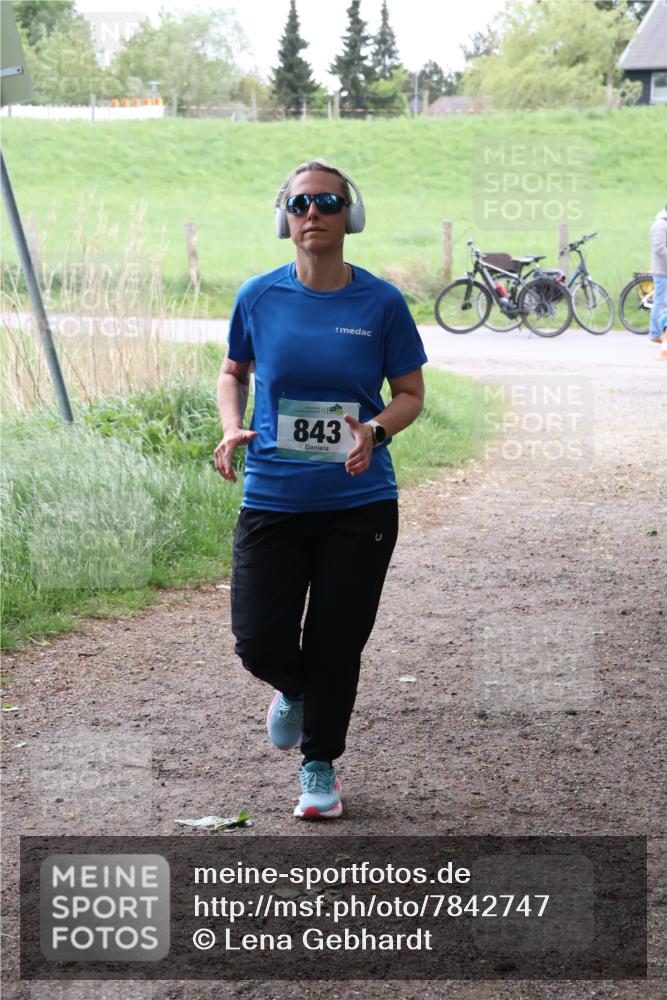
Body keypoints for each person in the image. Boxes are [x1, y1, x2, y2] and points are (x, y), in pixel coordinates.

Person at [213, 158, 427, 820]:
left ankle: (318, 767)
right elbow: (232, 373)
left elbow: (411, 395)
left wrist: (376, 431)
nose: (313, 214)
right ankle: (293, 688)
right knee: (258, 641)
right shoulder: (258, 296)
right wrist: (231, 426)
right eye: (301, 204)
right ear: (284, 215)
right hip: (272, 497)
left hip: (357, 505)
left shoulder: (381, 303)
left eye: (328, 202)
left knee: (337, 639)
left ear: (349, 216)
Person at [649, 203, 667, 344]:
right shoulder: (661, 225)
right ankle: (655, 334)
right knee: (660, 302)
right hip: (662, 271)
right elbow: (659, 249)